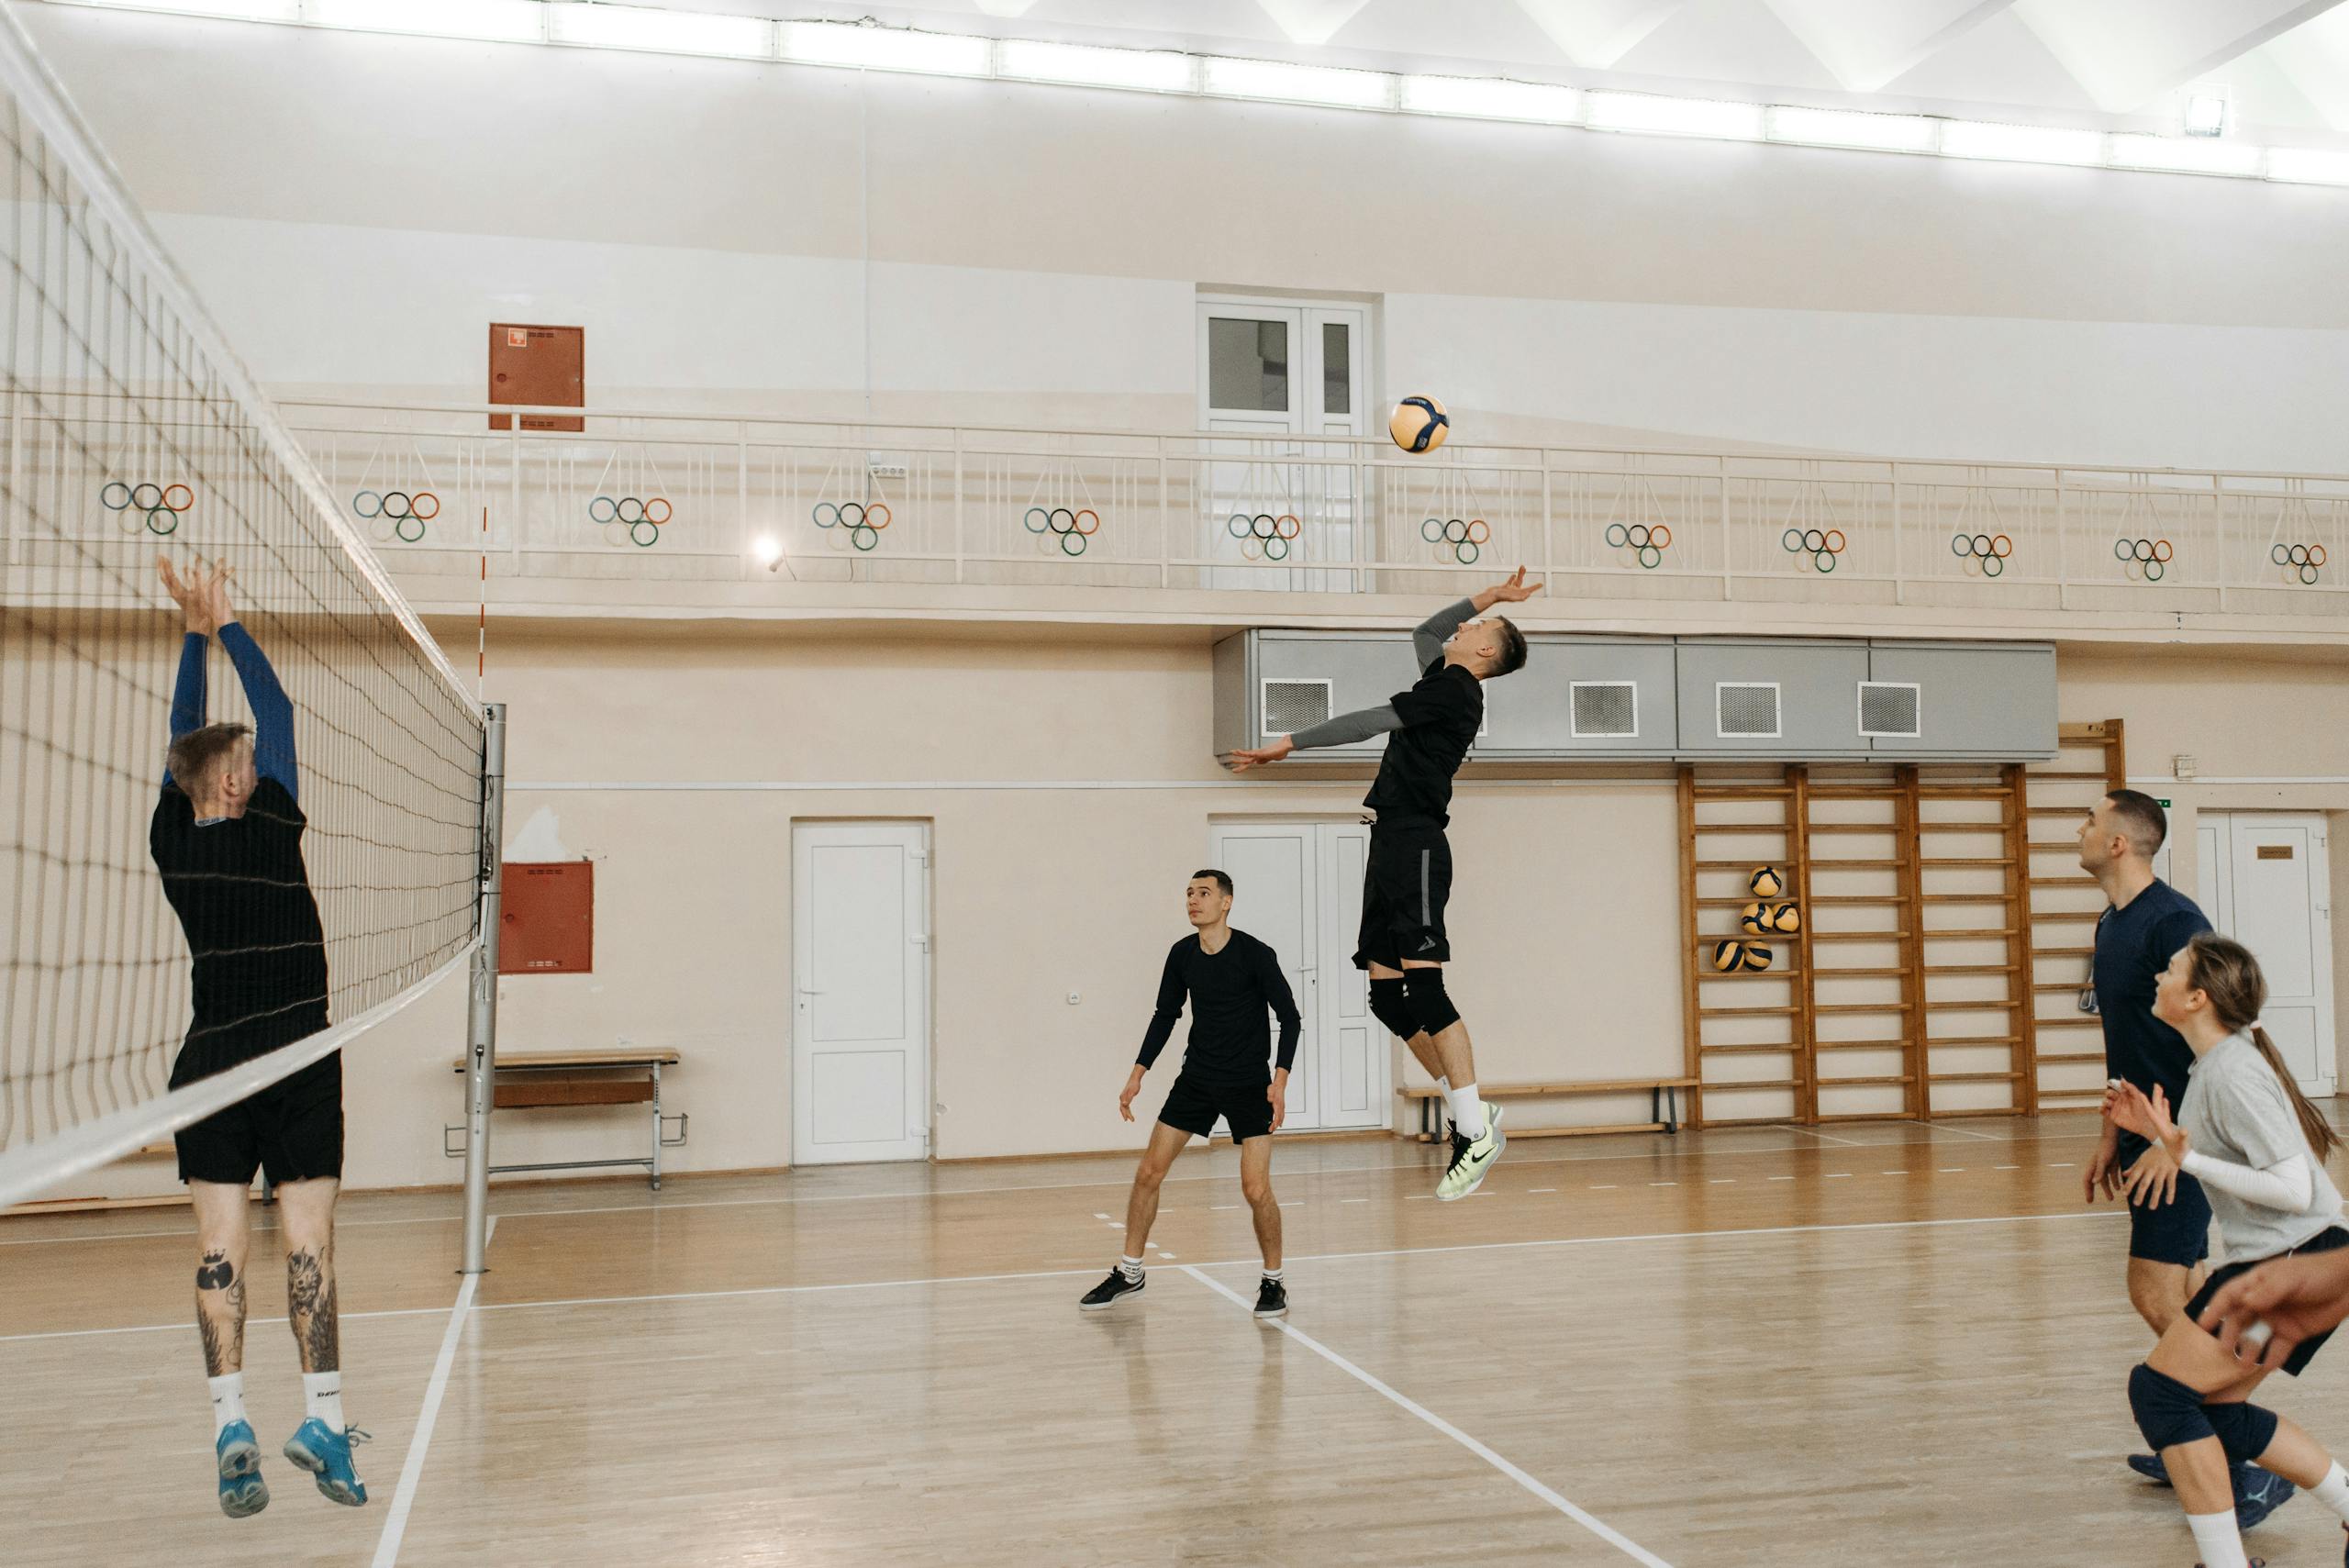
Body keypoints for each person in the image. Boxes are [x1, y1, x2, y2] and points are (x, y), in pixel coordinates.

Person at [152, 557, 365, 1517]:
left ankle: (230, 1421)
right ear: (240, 779)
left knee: (218, 1246)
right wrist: (226, 623)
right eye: (245, 760)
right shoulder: (273, 821)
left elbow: (178, 738)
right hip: (297, 1057)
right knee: (310, 1239)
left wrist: (191, 640)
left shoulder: (172, 840)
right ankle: (323, 1416)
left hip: (210, 1065)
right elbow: (273, 704)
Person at [1225, 569, 1536, 1200]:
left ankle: (1474, 1129)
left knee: (1425, 986)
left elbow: (1369, 720)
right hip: (1389, 842)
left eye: (1477, 626)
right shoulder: (1440, 677)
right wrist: (1492, 597)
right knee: (1387, 999)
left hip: (1417, 842)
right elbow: (1426, 628)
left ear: (1483, 652)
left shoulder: (1454, 692)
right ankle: (1472, 1112)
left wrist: (1288, 744)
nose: (1464, 625)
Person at [2075, 791, 2286, 1519]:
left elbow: (2220, 1039)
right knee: (2189, 1286)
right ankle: (2195, 1440)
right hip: (2146, 1128)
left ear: (2121, 843)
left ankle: (2241, 1456)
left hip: (2185, 1134)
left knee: (2156, 1294)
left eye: (2091, 819)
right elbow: (2124, 1042)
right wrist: (2112, 1130)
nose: (2082, 828)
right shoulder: (2111, 923)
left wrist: (2177, 1143)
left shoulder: (2175, 921)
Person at [2107, 934, 2348, 1568]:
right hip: (2306, 1263)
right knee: (2214, 1407)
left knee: (2161, 1394)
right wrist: (2155, 1135)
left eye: (2173, 968)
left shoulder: (2233, 1072)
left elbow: (2294, 1188)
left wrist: (2186, 1157)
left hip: (2296, 1267)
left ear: (2197, 997)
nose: (2160, 973)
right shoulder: (2218, 1064)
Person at [1081, 870, 1301, 1318]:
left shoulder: (1256, 954)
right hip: (1197, 1079)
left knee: (1256, 1189)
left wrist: (1278, 1082)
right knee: (1148, 1174)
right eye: (1189, 894)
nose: (1193, 901)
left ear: (1226, 903)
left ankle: (1273, 1281)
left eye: (1204, 893)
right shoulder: (1182, 954)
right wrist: (1137, 1073)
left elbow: (1290, 1017)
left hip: (1247, 1084)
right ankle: (1130, 1272)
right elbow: (1166, 1015)